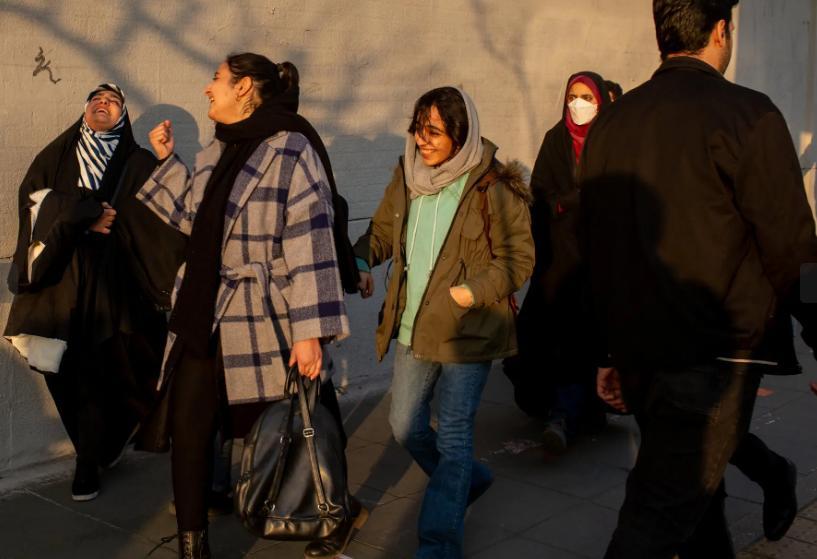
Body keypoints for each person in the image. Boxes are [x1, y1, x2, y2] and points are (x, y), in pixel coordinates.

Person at [579, 1, 817, 557]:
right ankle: (776, 474)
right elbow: (792, 245)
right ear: (720, 31)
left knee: (688, 500)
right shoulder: (748, 115)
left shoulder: (613, 122)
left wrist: (607, 347)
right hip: (714, 354)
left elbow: (593, 250)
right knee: (657, 517)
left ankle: (773, 475)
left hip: (650, 349)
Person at [138, 53, 363, 559]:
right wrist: (166, 162)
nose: (206, 89)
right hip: (201, 308)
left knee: (296, 420)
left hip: (261, 313)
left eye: (216, 79)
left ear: (245, 88)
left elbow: (309, 238)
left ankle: (332, 509)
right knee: (190, 428)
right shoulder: (215, 153)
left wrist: (310, 330)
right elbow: (194, 220)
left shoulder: (290, 147)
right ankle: (193, 547)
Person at [354, 86, 534, 558]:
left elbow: (518, 258)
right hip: (414, 327)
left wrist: (472, 290)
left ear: (461, 132)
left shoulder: (492, 186)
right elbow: (384, 231)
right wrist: (360, 260)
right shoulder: (407, 174)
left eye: (434, 129)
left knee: (454, 435)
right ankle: (467, 479)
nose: (422, 139)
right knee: (404, 426)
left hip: (468, 330)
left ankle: (438, 543)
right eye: (418, 127)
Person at [4, 84, 171, 502]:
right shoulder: (56, 156)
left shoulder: (136, 162)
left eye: (112, 101)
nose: (102, 103)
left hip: (118, 287)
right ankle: (92, 451)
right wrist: (83, 216)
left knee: (112, 367)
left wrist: (167, 161)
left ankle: (91, 457)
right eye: (95, 98)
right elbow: (34, 203)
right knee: (67, 371)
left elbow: (166, 208)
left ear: (123, 115)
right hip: (62, 285)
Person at [517, 72, 611, 454]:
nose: (578, 102)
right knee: (551, 337)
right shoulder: (555, 140)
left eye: (586, 95)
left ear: (601, 100)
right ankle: (561, 411)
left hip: (599, 262)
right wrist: (564, 202)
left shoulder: (612, 140)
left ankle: (574, 411)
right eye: (572, 95)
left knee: (588, 339)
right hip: (558, 259)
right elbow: (538, 194)